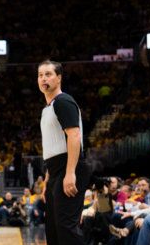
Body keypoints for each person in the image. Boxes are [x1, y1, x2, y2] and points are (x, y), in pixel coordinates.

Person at [38, 60, 91, 245]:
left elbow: (74, 136)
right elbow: (52, 146)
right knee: (53, 229)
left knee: (66, 228)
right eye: (40, 75)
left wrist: (70, 173)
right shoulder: (48, 108)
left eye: (48, 74)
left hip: (69, 167)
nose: (43, 78)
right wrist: (48, 178)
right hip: (55, 170)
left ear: (59, 78)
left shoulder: (63, 101)